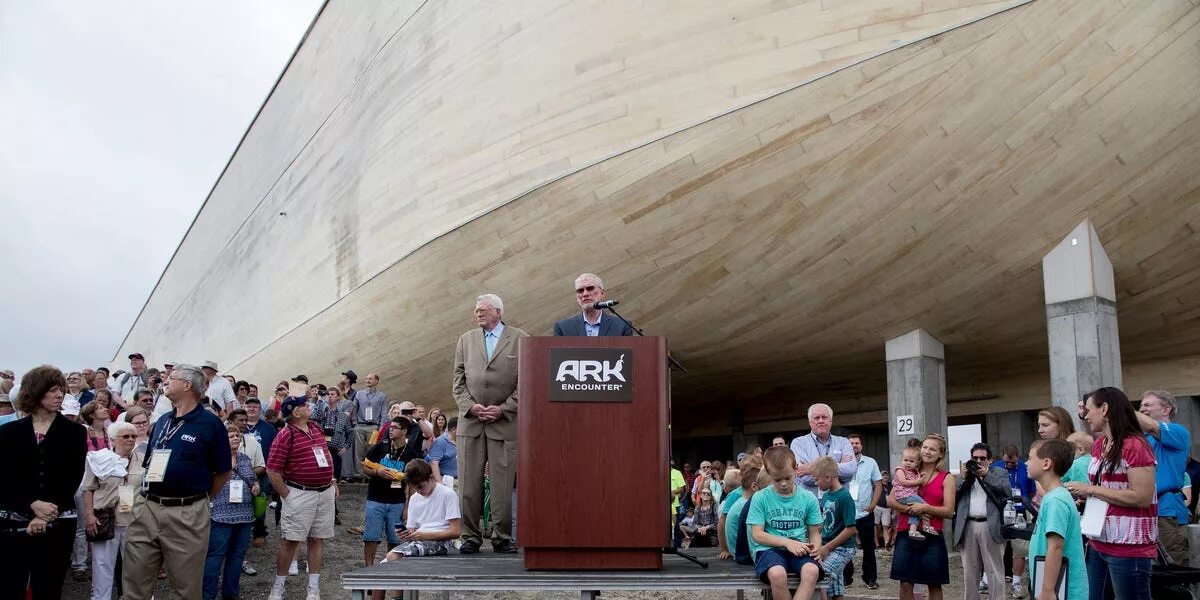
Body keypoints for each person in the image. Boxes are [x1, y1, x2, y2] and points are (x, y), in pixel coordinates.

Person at [122, 364, 233, 600]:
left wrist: (198, 501)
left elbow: (223, 472)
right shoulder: (162, 421)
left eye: (171, 378)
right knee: (133, 587)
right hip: (147, 508)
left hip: (186, 513)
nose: (165, 381)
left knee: (185, 590)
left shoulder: (210, 424)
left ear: (187, 385)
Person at [0, 366, 88, 600]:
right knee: (11, 586)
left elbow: (72, 477)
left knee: (49, 588)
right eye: (52, 390)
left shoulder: (75, 432)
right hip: (14, 522)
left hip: (58, 522)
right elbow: (5, 476)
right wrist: (31, 504)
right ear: (35, 392)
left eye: (61, 389)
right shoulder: (8, 432)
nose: (59, 395)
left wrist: (44, 514)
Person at [1065, 387, 1156, 600]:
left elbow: (1142, 497)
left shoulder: (1135, 445)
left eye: (1088, 410)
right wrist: (1086, 494)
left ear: (1104, 409)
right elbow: (1109, 490)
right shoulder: (1100, 445)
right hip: (1099, 540)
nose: (1085, 416)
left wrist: (1090, 489)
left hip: (1128, 546)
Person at [452, 293, 527, 554]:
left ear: (498, 312)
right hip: (471, 423)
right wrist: (470, 406)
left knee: (502, 484)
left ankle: (502, 536)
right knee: (469, 484)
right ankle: (470, 535)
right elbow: (458, 381)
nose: (478, 314)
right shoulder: (466, 340)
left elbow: (527, 381)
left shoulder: (520, 339)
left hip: (503, 424)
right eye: (476, 311)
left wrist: (504, 408)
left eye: (483, 310)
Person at [266, 399, 339, 600]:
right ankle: (278, 586)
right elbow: (272, 469)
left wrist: (331, 479)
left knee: (317, 539)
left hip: (324, 492)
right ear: (296, 413)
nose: (310, 407)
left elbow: (326, 455)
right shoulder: (285, 435)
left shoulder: (315, 428)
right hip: (299, 493)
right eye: (305, 405)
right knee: (291, 541)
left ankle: (313, 588)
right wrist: (287, 496)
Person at [747, 446, 823, 600]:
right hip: (769, 549)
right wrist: (787, 543)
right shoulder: (761, 497)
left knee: (811, 571)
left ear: (796, 469)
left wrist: (816, 549)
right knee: (777, 574)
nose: (783, 483)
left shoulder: (808, 498)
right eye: (777, 479)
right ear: (768, 474)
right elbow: (757, 534)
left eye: (788, 478)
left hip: (799, 548)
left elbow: (815, 532)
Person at [888, 433, 956, 600]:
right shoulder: (908, 471)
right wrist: (910, 509)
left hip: (933, 535)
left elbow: (948, 511)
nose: (927, 451)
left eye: (933, 449)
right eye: (925, 447)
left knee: (934, 583)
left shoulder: (947, 478)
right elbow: (890, 500)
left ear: (940, 454)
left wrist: (925, 508)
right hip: (906, 532)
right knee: (905, 583)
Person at [82, 420, 143, 600]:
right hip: (104, 519)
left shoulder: (143, 459)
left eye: (133, 436)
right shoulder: (98, 458)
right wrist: (89, 516)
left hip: (133, 520)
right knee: (102, 566)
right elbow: (88, 489)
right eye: (125, 436)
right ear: (113, 439)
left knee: (135, 567)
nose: (130, 439)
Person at [1026, 439, 1088, 600]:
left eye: (1030, 458)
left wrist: (1047, 590)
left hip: (1061, 591)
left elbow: (1056, 547)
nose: (1026, 462)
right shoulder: (1052, 497)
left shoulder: (1056, 501)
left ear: (1046, 464)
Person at [204, 424, 260, 600]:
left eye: (238, 435)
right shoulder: (213, 459)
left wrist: (256, 486)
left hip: (244, 514)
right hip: (221, 515)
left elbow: (253, 479)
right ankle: (207, 595)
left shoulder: (244, 458)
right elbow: (207, 485)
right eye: (231, 436)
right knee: (215, 557)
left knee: (237, 556)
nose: (236, 438)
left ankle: (231, 593)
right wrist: (227, 468)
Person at [1135, 389, 1190, 565]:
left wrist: (1120, 408)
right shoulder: (1143, 438)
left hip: (1167, 512)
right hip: (1144, 510)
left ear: (1166, 410)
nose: (1142, 408)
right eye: (1140, 405)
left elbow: (1152, 426)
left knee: (1172, 572)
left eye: (1147, 405)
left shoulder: (1177, 431)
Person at [953, 442, 1009, 600]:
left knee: (994, 570)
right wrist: (964, 479)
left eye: (982, 458)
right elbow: (952, 497)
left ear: (989, 460)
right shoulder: (964, 475)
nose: (978, 461)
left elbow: (1006, 492)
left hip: (990, 525)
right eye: (975, 458)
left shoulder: (999, 473)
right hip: (968, 525)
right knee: (969, 571)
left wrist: (986, 476)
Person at [362, 417, 420, 566]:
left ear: (404, 431)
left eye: (395, 427)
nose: (390, 429)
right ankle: (369, 569)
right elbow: (365, 467)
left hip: (397, 502)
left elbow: (413, 484)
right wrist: (377, 472)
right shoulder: (380, 447)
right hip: (375, 499)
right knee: (371, 537)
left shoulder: (411, 454)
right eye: (390, 427)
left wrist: (408, 506)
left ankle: (391, 568)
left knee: (395, 539)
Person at [384, 459, 462, 559]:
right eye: (414, 488)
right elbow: (411, 530)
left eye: (421, 487)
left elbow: (455, 532)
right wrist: (404, 534)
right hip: (419, 539)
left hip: (441, 541)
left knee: (393, 555)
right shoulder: (414, 498)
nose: (418, 491)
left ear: (431, 478)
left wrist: (424, 535)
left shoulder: (448, 494)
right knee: (386, 560)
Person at [812, 456, 857, 600]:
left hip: (842, 548)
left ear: (828, 477)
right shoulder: (825, 496)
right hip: (828, 546)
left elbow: (850, 529)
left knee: (820, 575)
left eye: (817, 479)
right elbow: (824, 523)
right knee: (835, 588)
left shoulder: (844, 497)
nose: (815, 482)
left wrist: (827, 548)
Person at [842, 433, 882, 590]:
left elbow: (878, 484)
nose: (854, 445)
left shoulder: (870, 462)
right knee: (845, 547)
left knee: (869, 547)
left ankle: (870, 578)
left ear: (861, 446)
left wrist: (873, 504)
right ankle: (846, 578)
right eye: (851, 443)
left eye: (857, 443)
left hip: (865, 513)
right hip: (846, 513)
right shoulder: (840, 463)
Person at [790, 403, 856, 497]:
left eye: (824, 417)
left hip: (838, 505)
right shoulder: (798, 443)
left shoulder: (843, 442)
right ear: (810, 422)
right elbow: (805, 478)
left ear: (831, 421)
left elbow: (851, 470)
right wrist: (838, 469)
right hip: (810, 506)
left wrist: (810, 467)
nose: (821, 421)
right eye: (817, 418)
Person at [552, 272, 634, 336]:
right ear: (577, 297)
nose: (585, 294)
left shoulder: (622, 325)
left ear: (602, 293)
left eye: (590, 288)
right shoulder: (563, 327)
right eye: (580, 290)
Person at [892, 442, 936, 540]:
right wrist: (919, 481)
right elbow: (904, 482)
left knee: (915, 512)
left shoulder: (914, 472)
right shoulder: (900, 470)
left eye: (911, 461)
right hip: (904, 496)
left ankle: (912, 530)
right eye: (905, 460)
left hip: (909, 495)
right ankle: (926, 526)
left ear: (917, 463)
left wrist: (922, 477)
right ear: (901, 460)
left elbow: (920, 482)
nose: (907, 463)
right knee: (924, 506)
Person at [350, 373, 387, 481]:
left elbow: (384, 413)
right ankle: (358, 474)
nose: (368, 380)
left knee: (371, 451)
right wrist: (355, 422)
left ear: (376, 381)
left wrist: (381, 428)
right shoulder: (359, 394)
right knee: (359, 451)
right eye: (366, 378)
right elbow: (354, 408)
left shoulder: (382, 396)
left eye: (370, 379)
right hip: (360, 426)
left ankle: (369, 474)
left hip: (373, 427)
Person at [723, 466, 760, 565]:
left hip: (737, 552)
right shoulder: (747, 506)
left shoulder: (740, 502)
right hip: (744, 555)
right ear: (754, 486)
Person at [716, 468, 742, 558]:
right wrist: (724, 549)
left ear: (725, 488)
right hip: (734, 547)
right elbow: (722, 523)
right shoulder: (734, 496)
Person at [427, 417, 458, 485]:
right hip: (447, 481)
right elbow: (434, 463)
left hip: (461, 479)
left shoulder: (460, 441)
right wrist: (440, 484)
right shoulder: (439, 442)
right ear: (454, 429)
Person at [874, 470, 894, 550]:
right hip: (877, 507)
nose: (885, 477)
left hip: (887, 508)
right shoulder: (877, 485)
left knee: (886, 526)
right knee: (876, 525)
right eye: (883, 475)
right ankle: (876, 544)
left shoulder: (891, 485)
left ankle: (887, 543)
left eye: (886, 475)